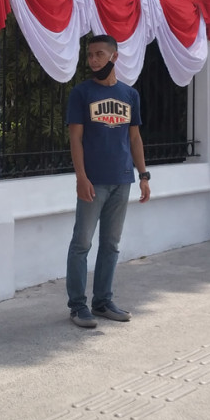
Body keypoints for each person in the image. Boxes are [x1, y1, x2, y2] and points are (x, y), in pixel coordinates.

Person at [65, 35, 151, 328]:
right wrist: (81, 177)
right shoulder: (81, 93)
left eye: (99, 54)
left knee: (111, 244)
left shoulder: (130, 95)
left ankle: (102, 301)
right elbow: (75, 137)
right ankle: (78, 306)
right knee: (81, 243)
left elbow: (135, 137)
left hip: (122, 179)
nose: (93, 60)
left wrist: (143, 175)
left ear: (114, 57)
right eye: (90, 55)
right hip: (93, 181)